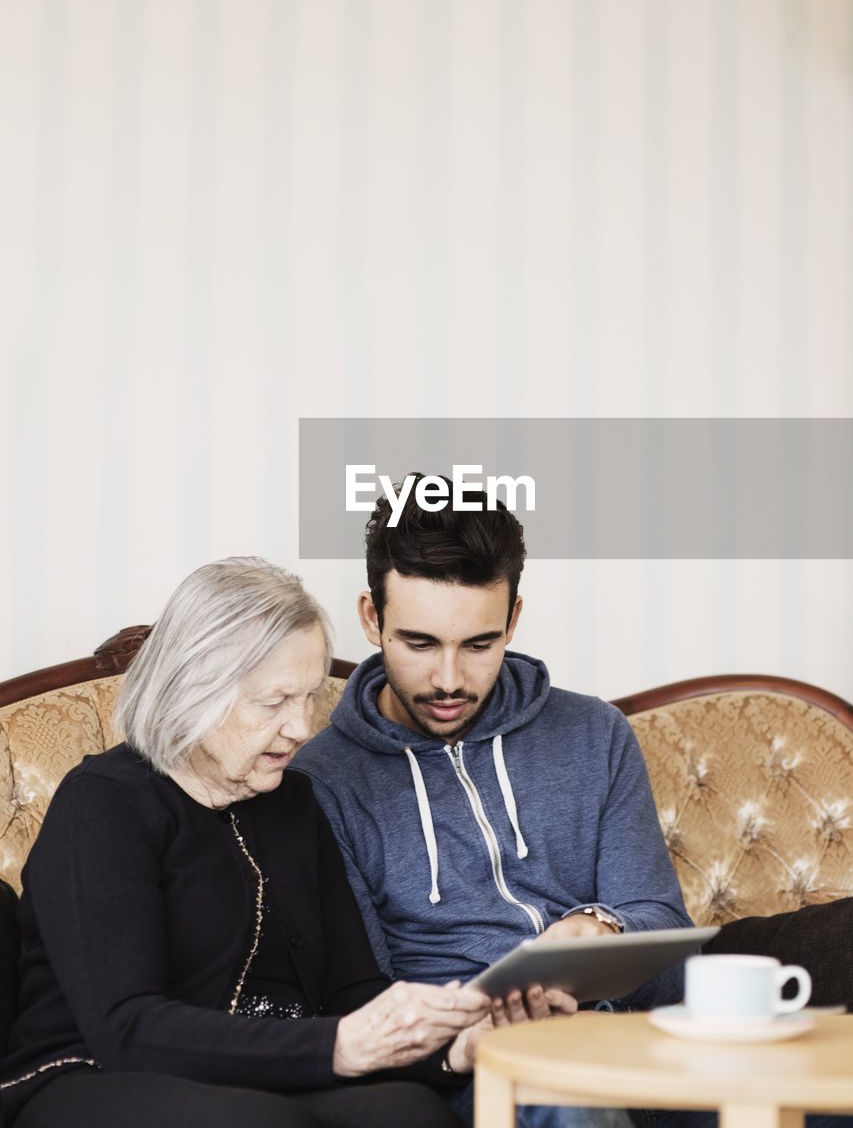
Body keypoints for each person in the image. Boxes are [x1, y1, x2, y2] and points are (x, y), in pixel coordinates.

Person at [0, 557, 493, 1128]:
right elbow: (127, 1027)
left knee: (408, 1113)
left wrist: (451, 1052)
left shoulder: (294, 804)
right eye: (273, 701)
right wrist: (335, 1047)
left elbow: (353, 991)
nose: (302, 727)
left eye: (308, 696)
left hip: (268, 1074)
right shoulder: (105, 803)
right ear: (192, 689)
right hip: (87, 1076)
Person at [292, 477, 692, 1126]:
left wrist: (601, 929)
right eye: (419, 643)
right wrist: (479, 1020)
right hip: (479, 1068)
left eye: (478, 644)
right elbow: (361, 998)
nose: (448, 680)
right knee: (563, 1101)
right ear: (372, 619)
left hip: (633, 1042)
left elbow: (670, 941)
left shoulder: (594, 734)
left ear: (512, 619)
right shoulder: (319, 784)